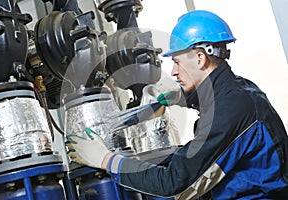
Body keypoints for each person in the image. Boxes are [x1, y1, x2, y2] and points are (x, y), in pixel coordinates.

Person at [66, 10, 288, 199]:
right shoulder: (240, 91)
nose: (173, 72)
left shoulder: (230, 109)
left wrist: (106, 160)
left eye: (177, 62)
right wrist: (181, 97)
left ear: (200, 58)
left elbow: (173, 183)